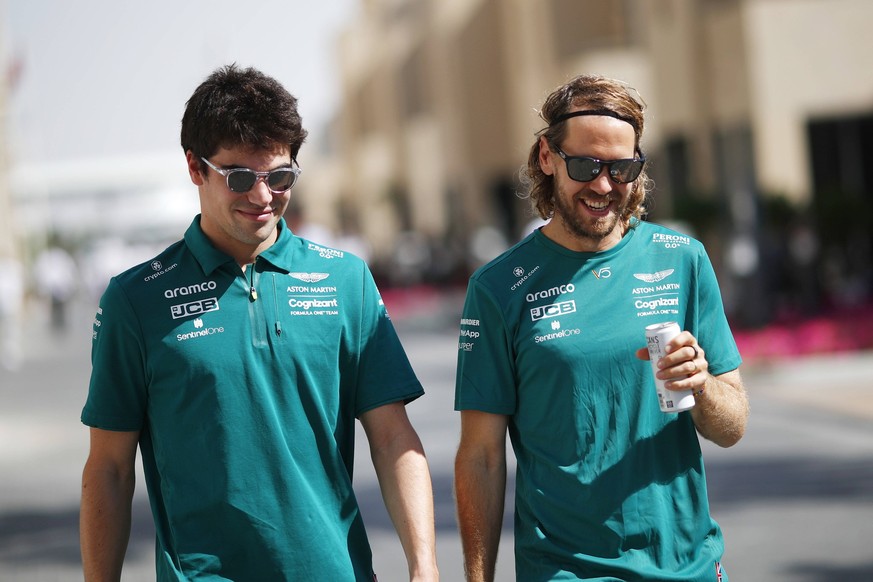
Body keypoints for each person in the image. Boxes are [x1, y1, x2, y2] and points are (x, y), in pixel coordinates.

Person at [80, 64, 439, 581]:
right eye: (241, 177)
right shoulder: (135, 300)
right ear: (194, 167)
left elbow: (391, 438)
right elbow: (110, 468)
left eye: (280, 177)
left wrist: (424, 566)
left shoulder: (345, 280)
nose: (263, 196)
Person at [453, 74, 749, 581]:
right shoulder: (498, 288)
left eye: (622, 167)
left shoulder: (682, 260)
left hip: (688, 566)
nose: (604, 185)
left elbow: (733, 427)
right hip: (567, 570)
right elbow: (480, 455)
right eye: (585, 164)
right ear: (547, 156)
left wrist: (701, 387)